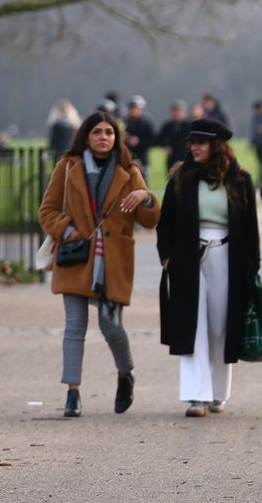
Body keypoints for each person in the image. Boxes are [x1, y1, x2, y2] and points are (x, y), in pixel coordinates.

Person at [38, 111, 160, 418]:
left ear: (116, 137)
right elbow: (48, 210)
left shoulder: (128, 170)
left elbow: (149, 220)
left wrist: (145, 196)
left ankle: (125, 373)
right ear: (86, 136)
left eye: (109, 132)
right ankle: (72, 393)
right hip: (75, 255)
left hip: (113, 260)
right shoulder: (68, 167)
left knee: (111, 326)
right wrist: (69, 232)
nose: (103, 137)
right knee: (75, 326)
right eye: (97, 132)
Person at [156, 119, 260, 416]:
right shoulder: (181, 177)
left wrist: (251, 268)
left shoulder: (239, 180)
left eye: (202, 142)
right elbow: (166, 222)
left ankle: (216, 392)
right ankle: (195, 396)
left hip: (227, 255)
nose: (195, 147)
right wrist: (167, 256)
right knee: (192, 324)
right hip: (188, 256)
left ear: (217, 145)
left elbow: (250, 230)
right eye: (193, 142)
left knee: (219, 325)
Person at [123, 95, 155, 180]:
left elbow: (152, 141)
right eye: (131, 108)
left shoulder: (146, 124)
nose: (133, 110)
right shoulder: (124, 123)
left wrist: (139, 142)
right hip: (127, 158)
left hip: (142, 158)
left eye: (135, 108)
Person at [158, 100, 192, 169]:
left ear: (184, 112)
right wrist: (165, 146)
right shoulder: (167, 126)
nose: (176, 113)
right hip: (171, 160)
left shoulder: (190, 126)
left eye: (178, 111)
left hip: (186, 159)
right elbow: (158, 139)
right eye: (174, 111)